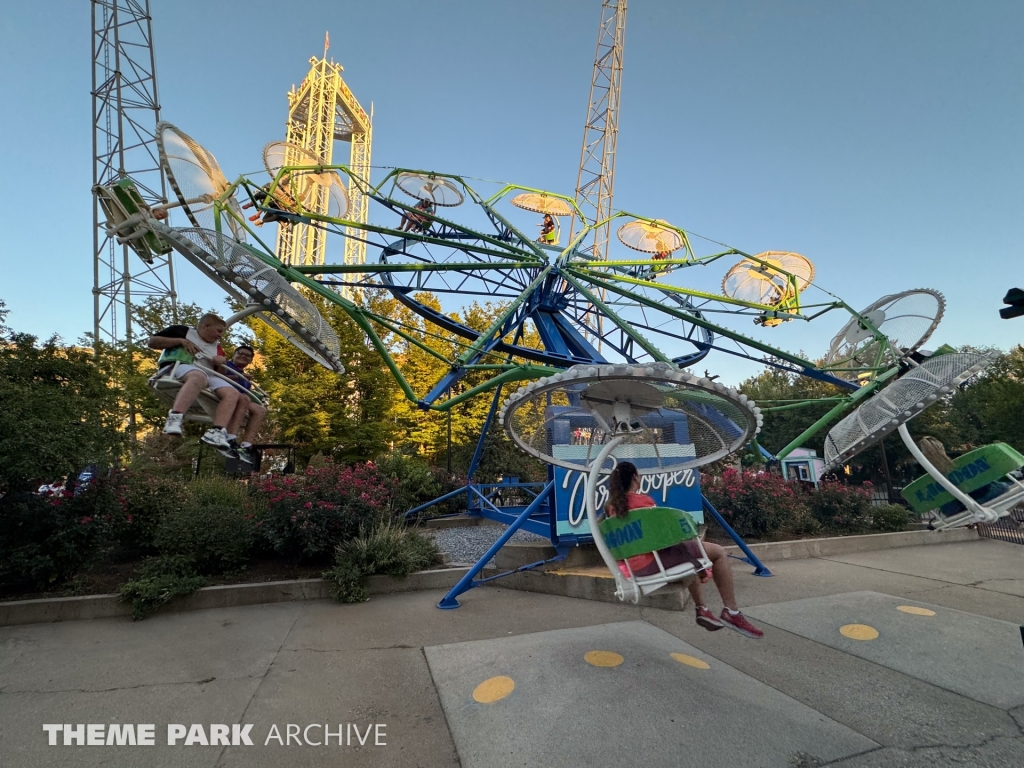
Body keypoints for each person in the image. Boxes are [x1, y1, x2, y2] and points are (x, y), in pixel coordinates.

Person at [604, 461, 764, 639]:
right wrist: (701, 564)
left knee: (688, 556)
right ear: (635, 477)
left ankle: (702, 608)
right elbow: (664, 538)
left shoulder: (612, 508)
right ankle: (732, 612)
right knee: (717, 552)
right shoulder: (644, 502)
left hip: (635, 569)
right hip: (654, 564)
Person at [147, 313, 246, 458]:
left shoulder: (217, 347)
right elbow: (152, 342)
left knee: (233, 393)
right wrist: (180, 341)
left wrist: (222, 363)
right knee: (198, 377)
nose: (220, 336)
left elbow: (220, 373)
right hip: (181, 365)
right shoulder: (183, 331)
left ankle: (217, 431)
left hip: (208, 373)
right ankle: (175, 417)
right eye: (218, 331)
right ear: (206, 326)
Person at [222, 345, 268, 464]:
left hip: (241, 400)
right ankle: (230, 438)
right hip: (225, 395)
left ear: (250, 360)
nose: (243, 356)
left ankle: (246, 445)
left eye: (247, 356)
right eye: (240, 353)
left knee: (260, 410)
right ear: (234, 354)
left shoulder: (245, 378)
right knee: (244, 398)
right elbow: (217, 376)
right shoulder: (225, 365)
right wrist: (238, 377)